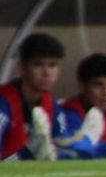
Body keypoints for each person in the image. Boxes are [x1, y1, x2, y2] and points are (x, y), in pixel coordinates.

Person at [0, 33, 62, 161]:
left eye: (52, 65)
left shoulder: (51, 105)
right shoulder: (3, 103)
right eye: (38, 65)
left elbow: (59, 144)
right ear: (22, 67)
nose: (46, 73)